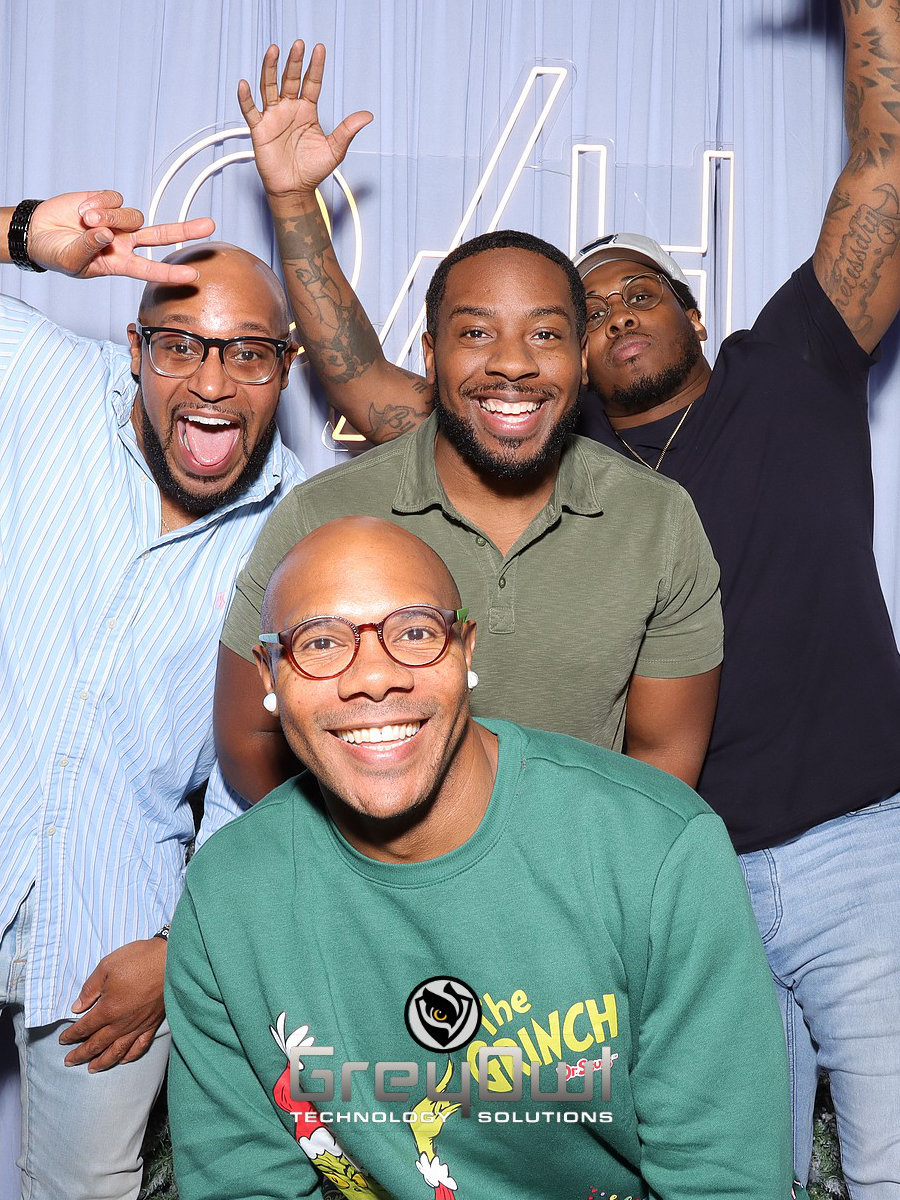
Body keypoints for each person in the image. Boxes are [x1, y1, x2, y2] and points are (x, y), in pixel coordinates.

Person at [235, 9, 900, 1193]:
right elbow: (357, 372)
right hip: (665, 884)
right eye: (588, 311)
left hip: (849, 850)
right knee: (727, 1168)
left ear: (697, 316)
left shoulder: (788, 371)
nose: (615, 315)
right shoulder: (527, 440)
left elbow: (883, 180)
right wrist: (292, 205)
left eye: (640, 292)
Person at [166, 516, 805, 1200]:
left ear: (466, 652)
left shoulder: (655, 849)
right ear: (268, 673)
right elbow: (242, 1182)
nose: (374, 677)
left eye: (415, 633)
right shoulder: (228, 896)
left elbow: (723, 1180)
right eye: (321, 642)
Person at [212, 46, 726, 807]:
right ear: (431, 356)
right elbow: (249, 740)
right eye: (477, 333)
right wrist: (347, 869)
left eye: (546, 334)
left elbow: (662, 759)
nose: (512, 363)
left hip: (575, 877)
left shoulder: (657, 519)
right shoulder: (324, 514)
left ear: (581, 360)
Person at [0, 193, 306, 1199]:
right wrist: (19, 233)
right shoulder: (41, 382)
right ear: (135, 350)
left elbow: (265, 776)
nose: (212, 383)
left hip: (118, 928)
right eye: (181, 346)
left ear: (287, 367)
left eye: (248, 353)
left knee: (86, 1189)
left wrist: (181, 950)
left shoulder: (298, 530)